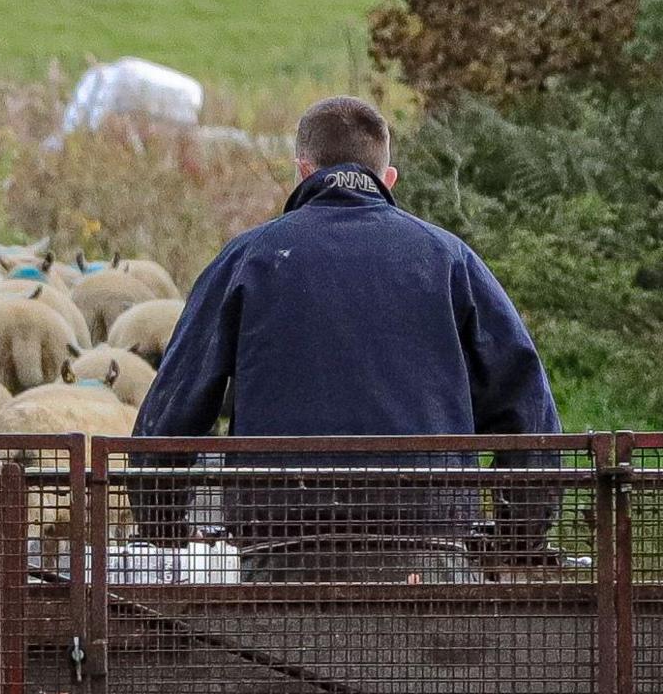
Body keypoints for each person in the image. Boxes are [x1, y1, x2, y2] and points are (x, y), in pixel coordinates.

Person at [132, 96, 561, 575]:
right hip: (427, 541)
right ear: (388, 177)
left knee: (274, 649)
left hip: (284, 548)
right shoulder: (448, 259)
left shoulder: (247, 260)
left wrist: (161, 527)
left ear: (302, 170)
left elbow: (176, 404)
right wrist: (518, 534)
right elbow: (526, 402)